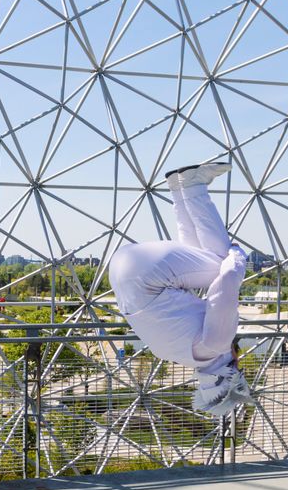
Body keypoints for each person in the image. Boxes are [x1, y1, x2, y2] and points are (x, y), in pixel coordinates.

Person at [108, 162, 252, 416]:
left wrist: (238, 254)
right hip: (121, 270)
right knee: (201, 258)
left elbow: (227, 281)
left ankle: (194, 185)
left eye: (240, 368)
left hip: (147, 273)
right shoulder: (172, 353)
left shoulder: (217, 345)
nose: (240, 360)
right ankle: (179, 186)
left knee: (220, 261)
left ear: (231, 370)